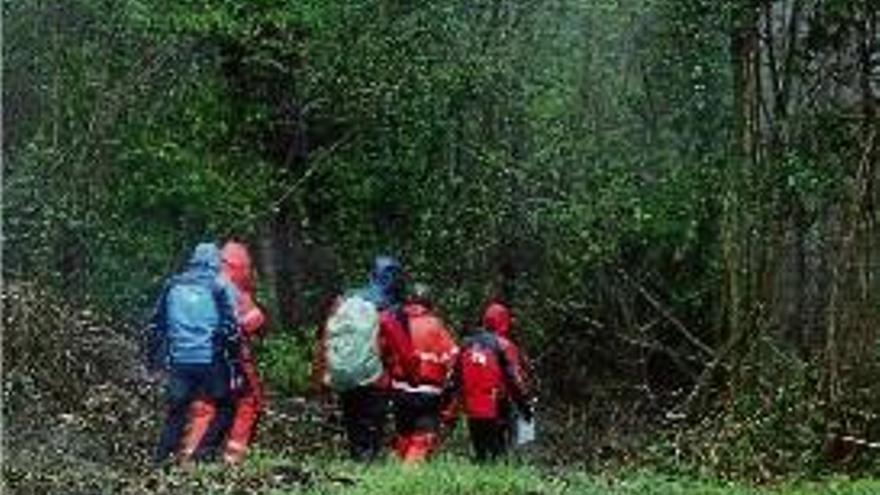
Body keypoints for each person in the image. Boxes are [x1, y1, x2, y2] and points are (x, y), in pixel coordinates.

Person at [315, 255, 417, 461]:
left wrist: (321, 376)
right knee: (371, 432)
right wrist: (412, 377)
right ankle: (367, 474)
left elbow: (325, 339)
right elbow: (404, 350)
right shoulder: (389, 308)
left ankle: (358, 468)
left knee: (354, 428)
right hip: (375, 380)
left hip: (344, 376)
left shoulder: (345, 301)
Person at [149, 242, 239, 465]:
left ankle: (161, 460)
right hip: (210, 360)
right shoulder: (219, 286)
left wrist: (154, 360)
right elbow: (230, 328)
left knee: (177, 412)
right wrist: (234, 361)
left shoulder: (172, 285)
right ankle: (203, 454)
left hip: (179, 360)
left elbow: (156, 324)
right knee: (227, 405)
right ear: (215, 261)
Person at [179, 241, 268, 464]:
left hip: (192, 358)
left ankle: (191, 458)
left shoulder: (193, 287)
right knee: (248, 403)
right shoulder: (230, 288)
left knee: (202, 407)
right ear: (239, 267)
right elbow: (254, 322)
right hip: (229, 361)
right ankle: (232, 459)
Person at [454, 300, 531, 462]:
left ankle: (480, 481)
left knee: (480, 453)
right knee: (500, 453)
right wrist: (525, 405)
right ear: (504, 321)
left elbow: (456, 377)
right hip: (497, 407)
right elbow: (515, 379)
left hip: (472, 408)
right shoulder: (504, 345)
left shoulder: (466, 344)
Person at [391, 283, 458, 463]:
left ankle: (396, 474)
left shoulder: (397, 322)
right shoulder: (435, 325)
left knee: (403, 436)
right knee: (422, 440)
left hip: (399, 391)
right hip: (428, 393)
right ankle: (408, 481)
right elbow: (453, 361)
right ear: (429, 302)